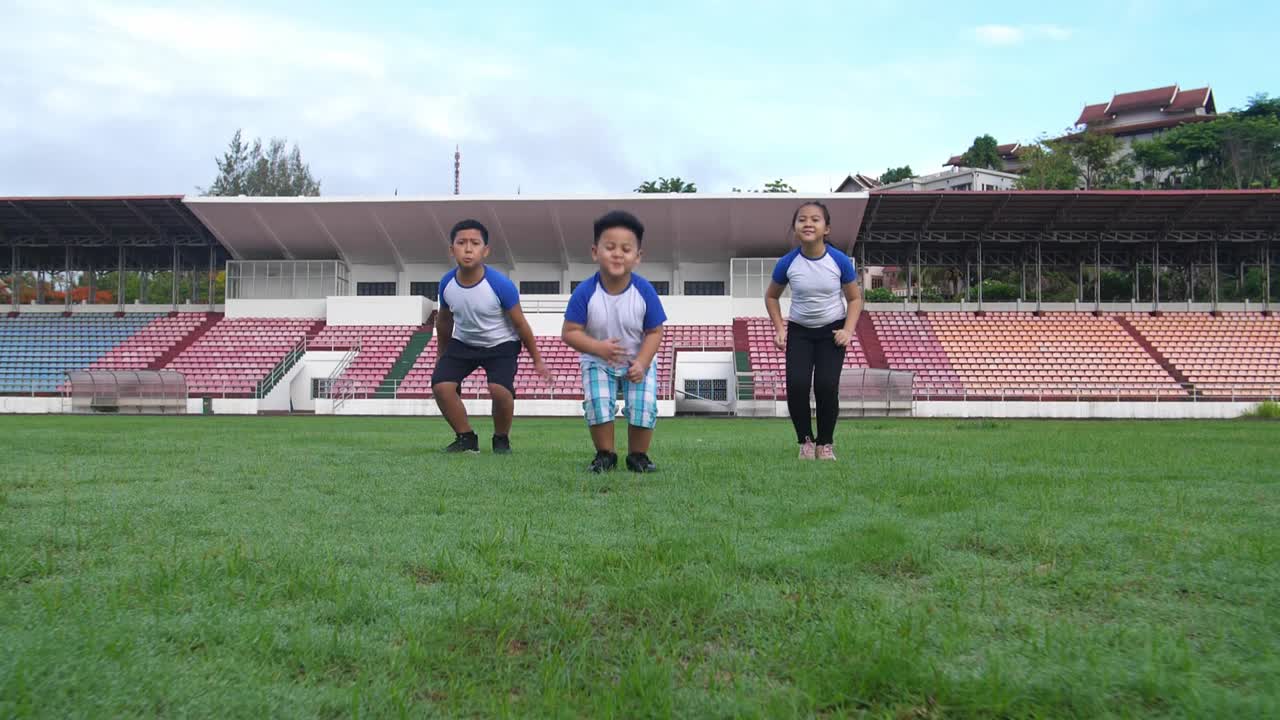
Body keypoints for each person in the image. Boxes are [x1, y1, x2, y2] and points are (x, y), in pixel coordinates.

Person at [561, 210, 667, 473]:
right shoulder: (585, 291)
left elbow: (655, 331)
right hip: (597, 360)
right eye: (610, 247)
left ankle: (638, 456)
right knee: (597, 404)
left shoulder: (644, 291)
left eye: (626, 249)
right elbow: (570, 332)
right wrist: (598, 348)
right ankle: (605, 454)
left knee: (643, 405)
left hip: (637, 360)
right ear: (595, 252)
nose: (618, 254)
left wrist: (642, 362)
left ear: (638, 256)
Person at [432, 219, 550, 454]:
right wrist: (441, 354)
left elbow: (521, 324)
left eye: (475, 243)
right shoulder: (447, 283)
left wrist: (537, 360)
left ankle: (501, 439)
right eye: (461, 243)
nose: (468, 249)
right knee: (441, 386)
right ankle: (466, 438)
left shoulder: (500, 285)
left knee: (499, 390)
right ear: (452, 249)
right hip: (464, 342)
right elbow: (444, 321)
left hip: (501, 344)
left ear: (485, 251)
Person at [764, 201, 863, 461]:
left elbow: (855, 299)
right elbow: (771, 297)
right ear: (795, 227)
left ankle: (825, 444)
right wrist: (779, 328)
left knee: (826, 386)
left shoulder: (839, 260)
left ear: (826, 228)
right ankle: (806, 442)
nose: (808, 223)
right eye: (802, 219)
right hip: (800, 332)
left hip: (832, 332)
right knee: (797, 386)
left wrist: (847, 331)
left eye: (815, 219)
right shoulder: (787, 263)